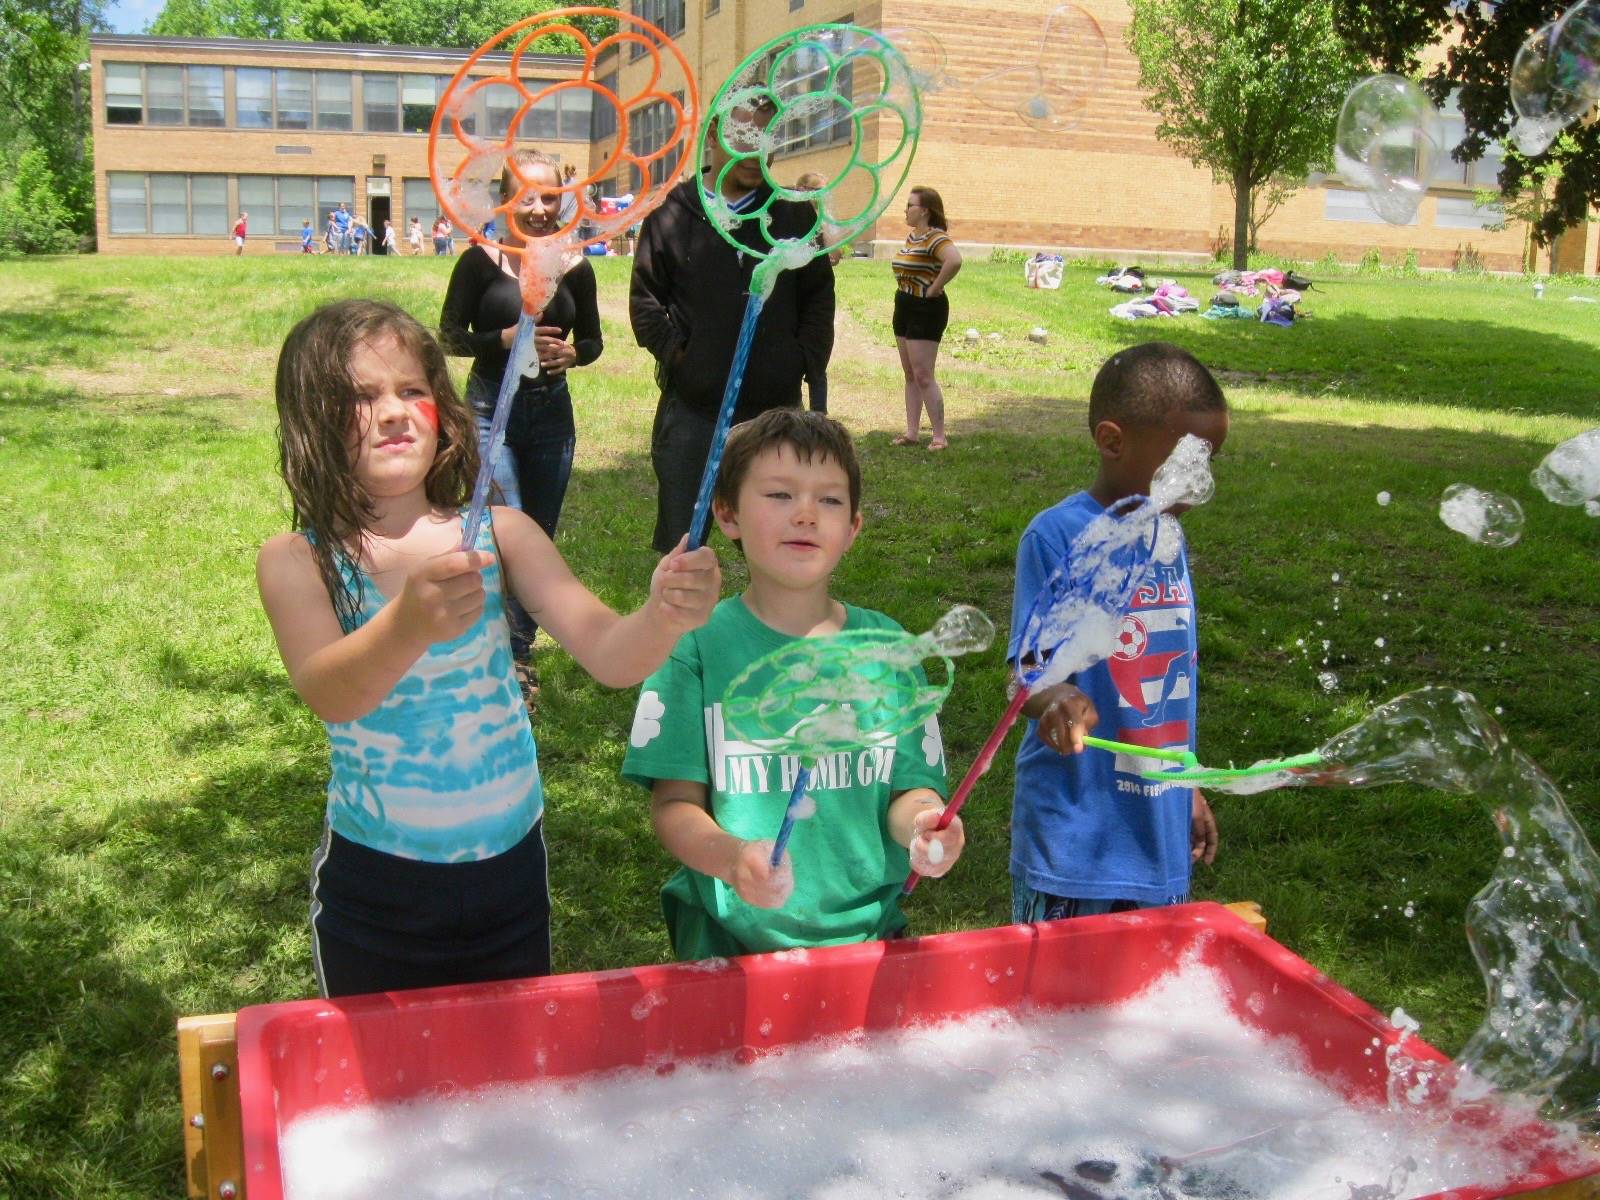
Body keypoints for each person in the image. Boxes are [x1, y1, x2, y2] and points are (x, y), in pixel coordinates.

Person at [256, 298, 719, 997]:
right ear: (311, 424)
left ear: (442, 407)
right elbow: (332, 692)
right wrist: (408, 624)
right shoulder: (298, 560)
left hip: (510, 872)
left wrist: (663, 614)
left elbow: (611, 655)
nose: (392, 411)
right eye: (359, 397)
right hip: (378, 887)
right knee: (387, 1087)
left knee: (503, 1077)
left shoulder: (503, 533)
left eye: (412, 390)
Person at [623, 409, 963, 957]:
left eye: (829, 500)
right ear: (727, 514)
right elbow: (674, 807)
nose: (806, 514)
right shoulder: (691, 645)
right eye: (780, 495)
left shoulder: (890, 649)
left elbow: (911, 792)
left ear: (852, 527)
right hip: (727, 948)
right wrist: (733, 859)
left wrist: (925, 825)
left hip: (867, 943)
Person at [1007, 341, 1227, 929]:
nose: (1199, 481)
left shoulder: (1167, 540)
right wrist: (1054, 697)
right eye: (1186, 461)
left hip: (1158, 843)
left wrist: (1187, 786)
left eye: (1210, 462)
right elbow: (1024, 680)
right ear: (1112, 441)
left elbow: (1166, 682)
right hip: (1075, 840)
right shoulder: (1058, 538)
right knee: (1059, 1007)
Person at [630, 95, 836, 553]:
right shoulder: (672, 213)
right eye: (741, 138)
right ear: (712, 136)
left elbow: (818, 295)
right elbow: (645, 300)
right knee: (684, 545)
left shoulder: (793, 214)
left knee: (777, 542)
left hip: (775, 409)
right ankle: (687, 626)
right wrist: (682, 357)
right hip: (695, 411)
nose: (754, 153)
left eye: (765, 140)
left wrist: (800, 358)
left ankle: (770, 624)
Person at [440, 147, 603, 678]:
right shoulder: (478, 262)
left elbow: (594, 341)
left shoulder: (575, 266)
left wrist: (573, 354)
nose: (538, 208)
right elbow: (448, 337)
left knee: (538, 535)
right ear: (505, 199)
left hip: (551, 414)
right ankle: (504, 654)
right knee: (501, 528)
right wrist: (503, 338)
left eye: (549, 197)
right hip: (490, 409)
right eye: (525, 196)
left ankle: (518, 651)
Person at [890, 186, 962, 451]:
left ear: (925, 210)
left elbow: (954, 261)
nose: (905, 210)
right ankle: (911, 432)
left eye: (910, 205)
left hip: (926, 308)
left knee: (923, 374)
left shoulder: (935, 238)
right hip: (904, 303)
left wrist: (934, 287)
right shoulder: (913, 237)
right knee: (909, 373)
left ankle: (939, 436)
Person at [792, 171, 836, 413]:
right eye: (817, 190)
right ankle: (793, 406)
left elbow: (835, 254)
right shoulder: (788, 216)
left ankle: (819, 415)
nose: (822, 195)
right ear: (801, 189)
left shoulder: (821, 219)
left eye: (824, 191)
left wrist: (823, 217)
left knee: (817, 357)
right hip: (793, 294)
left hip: (817, 294)